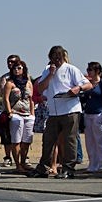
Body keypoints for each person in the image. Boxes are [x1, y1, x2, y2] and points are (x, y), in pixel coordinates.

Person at [29, 45, 92, 179]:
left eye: (59, 58)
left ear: (63, 57)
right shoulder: (47, 70)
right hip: (53, 111)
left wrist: (78, 88)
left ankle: (69, 168)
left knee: (69, 139)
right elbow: (40, 89)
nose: (56, 61)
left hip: (70, 109)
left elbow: (88, 85)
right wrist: (51, 74)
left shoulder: (71, 69)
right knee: (48, 139)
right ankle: (44, 167)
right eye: (54, 58)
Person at [2, 60, 35, 172]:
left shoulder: (28, 83)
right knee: (16, 140)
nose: (17, 70)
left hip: (27, 114)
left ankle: (24, 161)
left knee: (27, 140)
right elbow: (5, 98)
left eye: (19, 68)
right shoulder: (10, 83)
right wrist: (9, 112)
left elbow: (31, 99)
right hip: (16, 113)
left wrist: (32, 113)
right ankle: (17, 165)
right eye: (14, 68)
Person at [81, 62, 102, 173]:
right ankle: (93, 165)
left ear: (97, 72)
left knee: (101, 141)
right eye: (88, 69)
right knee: (90, 142)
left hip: (99, 114)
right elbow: (83, 98)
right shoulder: (88, 84)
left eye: (90, 70)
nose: (88, 71)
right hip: (88, 114)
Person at [0, 55, 21, 166]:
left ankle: (22, 157)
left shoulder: (23, 77)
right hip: (7, 110)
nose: (10, 64)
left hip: (20, 110)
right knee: (6, 135)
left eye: (13, 62)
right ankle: (8, 156)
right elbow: (3, 94)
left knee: (19, 136)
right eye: (9, 62)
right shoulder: (5, 78)